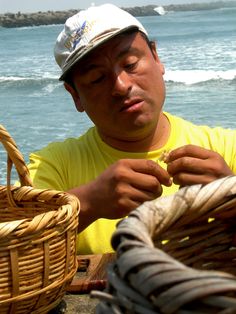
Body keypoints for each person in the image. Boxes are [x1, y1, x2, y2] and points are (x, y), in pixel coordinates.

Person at [28, 3, 236, 254]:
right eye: (97, 78)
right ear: (75, 96)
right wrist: (90, 202)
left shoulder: (227, 149)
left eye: (130, 64)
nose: (121, 85)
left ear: (156, 58)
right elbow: (14, 249)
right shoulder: (52, 168)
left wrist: (230, 196)